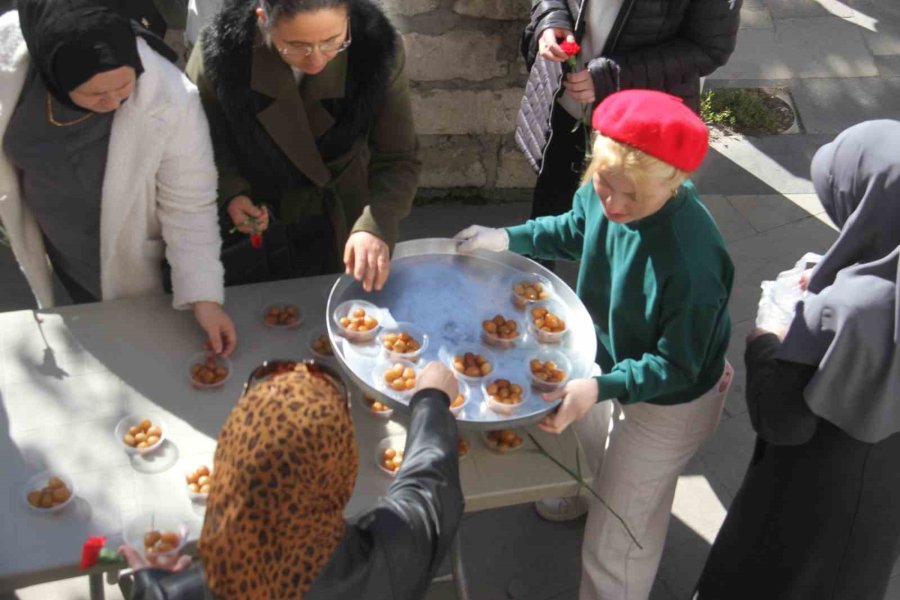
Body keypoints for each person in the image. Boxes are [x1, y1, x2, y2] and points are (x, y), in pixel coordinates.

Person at [455, 89, 734, 600]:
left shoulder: (692, 262)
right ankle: (581, 493)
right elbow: (574, 230)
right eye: (605, 185)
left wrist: (602, 386)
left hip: (670, 398)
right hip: (607, 357)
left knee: (623, 530)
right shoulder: (605, 189)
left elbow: (678, 363)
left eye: (633, 197)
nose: (615, 204)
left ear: (675, 182)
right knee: (587, 444)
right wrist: (507, 239)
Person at [694, 120, 900, 600]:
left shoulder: (844, 311)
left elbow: (783, 420)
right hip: (878, 506)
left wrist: (769, 332)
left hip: (803, 508)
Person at [0, 0, 236, 356]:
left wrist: (204, 297)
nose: (113, 102)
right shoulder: (10, 64)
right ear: (54, 75)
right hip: (55, 249)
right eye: (95, 93)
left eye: (124, 86)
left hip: (132, 260)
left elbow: (189, 203)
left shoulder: (170, 97)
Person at [122, 360, 464, 599]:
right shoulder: (387, 552)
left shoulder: (183, 593)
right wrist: (431, 400)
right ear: (343, 468)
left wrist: (154, 587)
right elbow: (430, 487)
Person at [185, 0, 419, 292]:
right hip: (261, 218)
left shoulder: (378, 50)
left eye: (333, 41)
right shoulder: (220, 55)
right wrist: (232, 193)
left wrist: (376, 225)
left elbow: (398, 158)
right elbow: (200, 141)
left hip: (343, 216)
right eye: (296, 45)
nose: (317, 60)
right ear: (263, 20)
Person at [516, 0, 741, 249]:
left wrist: (610, 76)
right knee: (552, 208)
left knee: (629, 238)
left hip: (640, 128)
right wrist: (551, 19)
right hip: (567, 104)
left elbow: (709, 49)